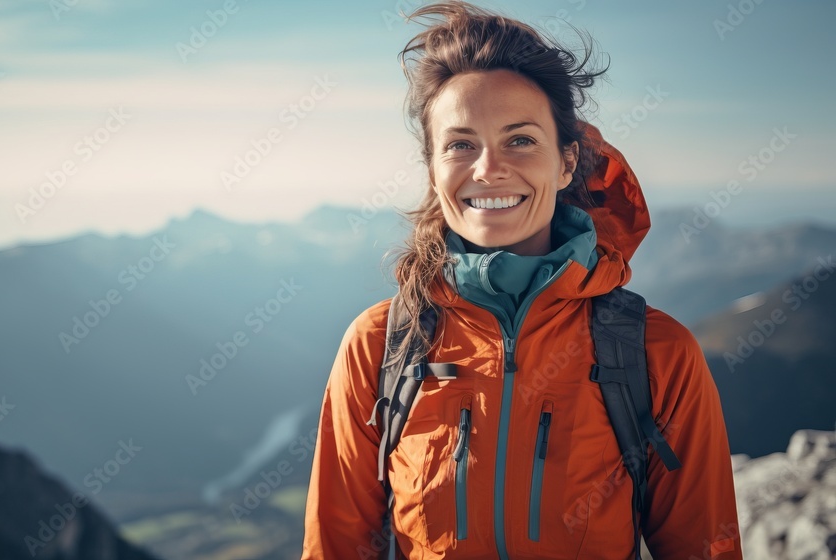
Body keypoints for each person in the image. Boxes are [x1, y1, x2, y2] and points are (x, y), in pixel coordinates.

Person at [302, 2, 742, 559]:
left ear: (565, 163)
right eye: (460, 144)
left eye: (520, 139)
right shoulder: (379, 347)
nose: (488, 168)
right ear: (432, 168)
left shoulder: (655, 354)